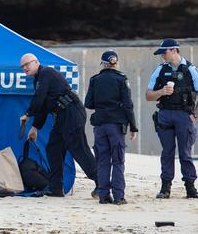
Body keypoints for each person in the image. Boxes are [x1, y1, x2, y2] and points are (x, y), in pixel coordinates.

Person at [19, 53, 98, 197]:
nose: (25, 68)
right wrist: (35, 127)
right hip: (61, 116)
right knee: (53, 148)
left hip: (72, 112)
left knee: (78, 149)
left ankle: (101, 183)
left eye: (27, 64)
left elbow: (39, 98)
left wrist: (28, 114)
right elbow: (42, 106)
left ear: (36, 62)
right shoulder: (38, 79)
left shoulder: (46, 72)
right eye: (22, 66)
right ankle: (56, 188)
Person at [146, 38, 198, 199]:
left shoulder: (190, 69)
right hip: (165, 114)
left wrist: (194, 113)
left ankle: (190, 187)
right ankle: (165, 188)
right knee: (167, 152)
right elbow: (148, 95)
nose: (162, 56)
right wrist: (161, 92)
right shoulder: (160, 70)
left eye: (164, 52)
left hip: (184, 115)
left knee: (185, 153)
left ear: (174, 50)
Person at [84, 51, 138, 205]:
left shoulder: (95, 80)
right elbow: (128, 105)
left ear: (103, 64)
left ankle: (103, 196)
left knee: (102, 161)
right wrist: (133, 126)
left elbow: (88, 103)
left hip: (100, 125)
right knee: (118, 161)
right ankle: (119, 196)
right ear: (116, 63)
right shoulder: (122, 79)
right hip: (116, 126)